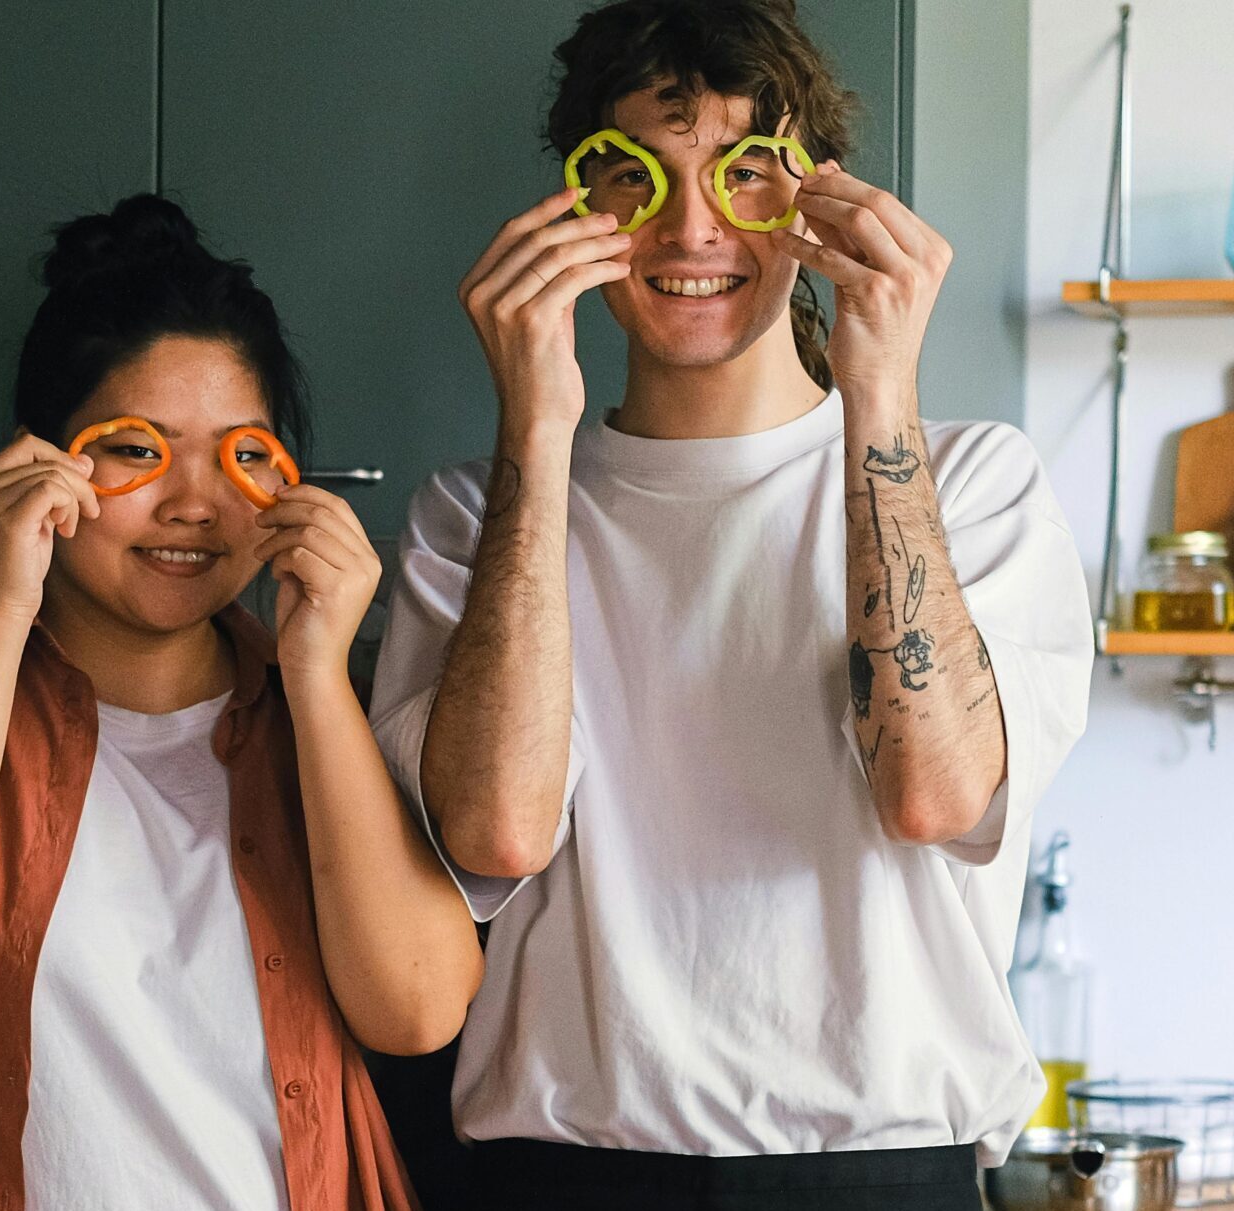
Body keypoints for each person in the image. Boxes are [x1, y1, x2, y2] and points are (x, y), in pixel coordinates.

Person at [367, 2, 1094, 1207]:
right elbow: (498, 833)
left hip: (876, 1170)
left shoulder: (974, 480)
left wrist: (881, 398)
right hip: (562, 1174)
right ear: (582, 203)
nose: (692, 226)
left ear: (811, 199)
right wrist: (533, 434)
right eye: (640, 177)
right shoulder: (474, 516)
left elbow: (934, 792)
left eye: (746, 171)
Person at [0, 194, 478, 1210]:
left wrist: (313, 672)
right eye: (139, 448)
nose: (195, 502)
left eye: (243, 453)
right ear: (42, 463)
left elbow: (419, 1009)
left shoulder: (327, 721)